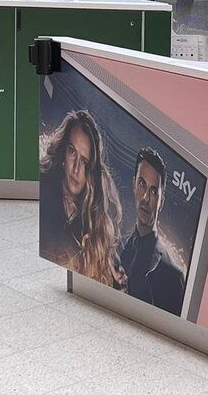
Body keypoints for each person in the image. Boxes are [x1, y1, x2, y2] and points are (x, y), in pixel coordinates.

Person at [39, 110, 126, 287]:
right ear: (64, 151)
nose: (76, 169)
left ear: (92, 171)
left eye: (84, 161)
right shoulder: (42, 188)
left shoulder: (96, 223)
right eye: (72, 152)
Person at [119, 147, 187, 316]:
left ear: (161, 202)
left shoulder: (173, 275)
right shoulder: (116, 248)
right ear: (134, 184)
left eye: (153, 191)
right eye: (142, 184)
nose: (145, 199)